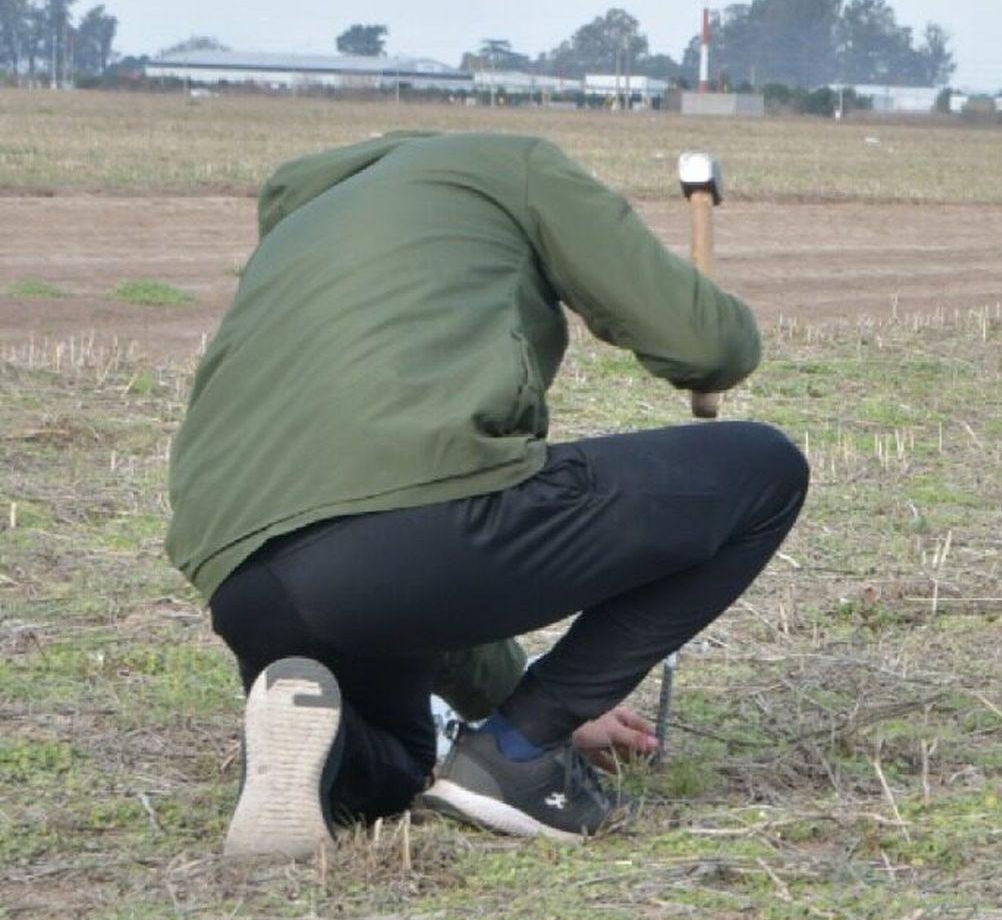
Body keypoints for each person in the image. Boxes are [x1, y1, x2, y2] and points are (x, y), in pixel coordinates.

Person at [165, 130, 809, 857]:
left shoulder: (302, 221)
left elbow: (401, 552)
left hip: (245, 580)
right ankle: (519, 752)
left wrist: (505, 690)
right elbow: (707, 346)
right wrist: (548, 706)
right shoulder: (509, 167)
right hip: (404, 532)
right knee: (763, 469)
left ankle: (320, 743)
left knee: (403, 760)